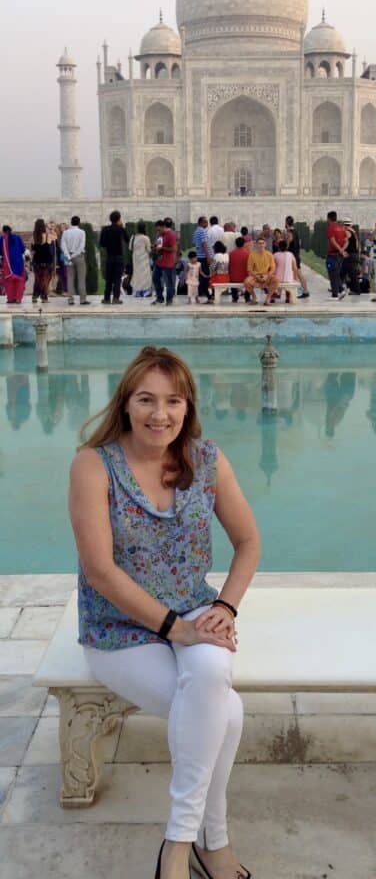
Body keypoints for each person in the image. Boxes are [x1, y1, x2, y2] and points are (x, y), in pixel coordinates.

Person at [69, 345, 260, 879]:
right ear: (125, 405)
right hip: (118, 630)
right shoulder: (93, 465)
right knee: (226, 713)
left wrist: (225, 606)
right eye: (147, 400)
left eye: (173, 400)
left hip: (196, 614)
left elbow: (248, 542)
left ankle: (178, 846)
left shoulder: (207, 460)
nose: (161, 414)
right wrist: (178, 629)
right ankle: (211, 842)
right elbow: (101, 571)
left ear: (188, 405)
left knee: (213, 679)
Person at [99, 211, 129, 305]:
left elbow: (102, 244)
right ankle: (116, 298)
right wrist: (122, 227)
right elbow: (127, 239)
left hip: (110, 256)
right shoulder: (120, 229)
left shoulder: (105, 229)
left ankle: (107, 298)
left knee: (109, 279)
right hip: (119, 257)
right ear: (119, 219)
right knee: (117, 279)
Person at [61, 215, 90, 306]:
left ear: (71, 222)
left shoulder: (65, 232)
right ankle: (82, 299)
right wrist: (73, 255)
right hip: (78, 256)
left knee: (70, 278)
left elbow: (63, 245)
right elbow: (81, 246)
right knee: (81, 278)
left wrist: (68, 256)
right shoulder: (82, 232)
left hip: (69, 256)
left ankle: (70, 299)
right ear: (79, 223)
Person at [244, 236, 278, 305]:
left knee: (276, 280)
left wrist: (267, 276)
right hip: (256, 276)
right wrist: (256, 276)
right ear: (256, 244)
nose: (261, 245)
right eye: (259, 243)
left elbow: (273, 268)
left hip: (266, 276)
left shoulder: (269, 254)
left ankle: (267, 299)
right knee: (247, 282)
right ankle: (254, 298)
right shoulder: (252, 255)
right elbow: (249, 269)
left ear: (265, 244)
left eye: (263, 243)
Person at [153, 219, 178, 306]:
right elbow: (157, 244)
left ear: (164, 227)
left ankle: (169, 299)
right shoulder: (159, 235)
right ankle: (160, 298)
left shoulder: (171, 235)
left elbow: (174, 249)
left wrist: (163, 248)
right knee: (155, 278)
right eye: (157, 230)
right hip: (159, 261)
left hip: (168, 262)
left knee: (169, 282)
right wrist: (154, 247)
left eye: (159, 230)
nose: (158, 231)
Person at [285, 216, 309, 299]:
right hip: (296, 255)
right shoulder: (296, 232)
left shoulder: (289, 233)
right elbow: (299, 243)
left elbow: (287, 245)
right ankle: (303, 291)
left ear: (286, 223)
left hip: (292, 257)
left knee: (297, 275)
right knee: (298, 274)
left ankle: (303, 291)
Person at [0, 225, 26, 304]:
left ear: (4, 231)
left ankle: (10, 299)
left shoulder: (2, 239)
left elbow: (1, 252)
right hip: (19, 264)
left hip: (8, 265)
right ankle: (18, 299)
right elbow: (23, 249)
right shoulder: (18, 237)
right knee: (19, 282)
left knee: (9, 282)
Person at [31, 217, 54, 303]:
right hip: (46, 259)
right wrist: (48, 228)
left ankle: (35, 295)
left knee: (37, 278)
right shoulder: (47, 235)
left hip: (37, 259)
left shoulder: (33, 236)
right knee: (45, 278)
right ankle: (44, 297)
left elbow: (32, 249)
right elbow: (53, 239)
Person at [326, 211, 348, 298]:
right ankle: (336, 292)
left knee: (332, 273)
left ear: (328, 218)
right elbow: (347, 241)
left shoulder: (331, 227)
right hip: (339, 255)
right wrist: (342, 250)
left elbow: (332, 240)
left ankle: (339, 291)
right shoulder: (341, 228)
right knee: (336, 273)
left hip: (333, 254)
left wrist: (340, 250)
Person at [192, 217, 213, 301]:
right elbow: (204, 244)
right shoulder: (202, 231)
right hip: (204, 257)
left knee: (202, 276)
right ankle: (208, 295)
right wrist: (208, 256)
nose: (207, 224)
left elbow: (194, 244)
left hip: (200, 256)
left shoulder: (196, 231)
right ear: (201, 223)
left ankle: (203, 294)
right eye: (206, 222)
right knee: (206, 277)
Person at [129, 222, 152, 298]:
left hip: (135, 259)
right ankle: (145, 292)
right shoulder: (146, 238)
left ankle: (137, 292)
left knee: (137, 275)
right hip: (144, 259)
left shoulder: (133, 237)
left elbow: (130, 248)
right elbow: (149, 250)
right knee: (145, 275)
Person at [339, 219, 361, 296]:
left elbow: (345, 242)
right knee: (349, 273)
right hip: (353, 255)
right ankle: (339, 287)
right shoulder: (354, 233)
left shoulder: (347, 232)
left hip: (349, 255)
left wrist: (342, 250)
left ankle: (339, 288)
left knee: (345, 273)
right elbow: (357, 245)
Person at [228, 236, 250, 303]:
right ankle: (247, 297)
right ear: (244, 244)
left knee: (232, 278)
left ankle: (235, 297)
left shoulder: (231, 254)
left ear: (235, 244)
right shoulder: (248, 254)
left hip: (233, 278)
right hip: (245, 278)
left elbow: (229, 266)